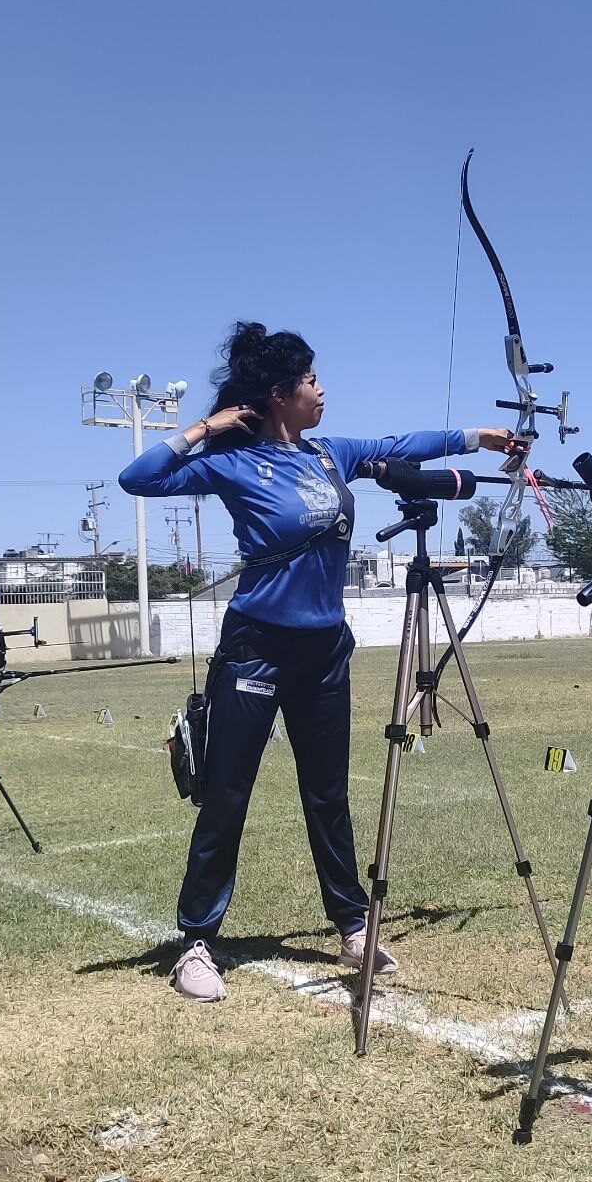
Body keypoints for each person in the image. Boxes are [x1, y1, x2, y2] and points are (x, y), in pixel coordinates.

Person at [118, 321, 514, 1002]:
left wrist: (479, 437)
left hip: (324, 650)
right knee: (227, 796)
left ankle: (353, 924)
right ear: (279, 396)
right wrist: (204, 428)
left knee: (328, 793)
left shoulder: (331, 454)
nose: (321, 390)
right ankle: (197, 942)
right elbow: (137, 478)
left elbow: (399, 446)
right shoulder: (231, 463)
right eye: (310, 381)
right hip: (256, 646)